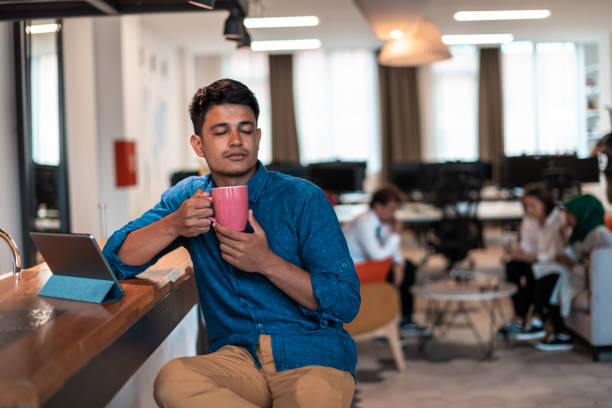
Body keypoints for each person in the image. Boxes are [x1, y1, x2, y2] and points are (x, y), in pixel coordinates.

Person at [102, 79, 360, 407]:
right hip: (239, 359)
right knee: (174, 381)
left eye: (245, 129)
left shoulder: (304, 198)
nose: (236, 141)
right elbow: (113, 261)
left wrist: (266, 262)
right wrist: (173, 224)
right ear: (199, 145)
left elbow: (346, 303)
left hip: (312, 355)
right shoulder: (188, 197)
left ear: (258, 137)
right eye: (221, 131)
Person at [343, 186, 429, 337]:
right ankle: (391, 321)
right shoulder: (364, 222)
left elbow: (393, 251)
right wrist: (396, 233)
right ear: (378, 206)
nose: (393, 214)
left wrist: (399, 264)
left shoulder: (383, 221)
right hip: (352, 270)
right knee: (394, 274)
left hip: (370, 265)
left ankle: (403, 319)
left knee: (408, 267)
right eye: (391, 209)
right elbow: (378, 256)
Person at [535, 194, 612, 351]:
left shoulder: (600, 233)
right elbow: (569, 257)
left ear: (582, 212)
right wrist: (564, 240)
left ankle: (555, 329)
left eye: (569, 213)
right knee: (547, 277)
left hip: (588, 280)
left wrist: (570, 263)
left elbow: (600, 268)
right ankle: (552, 327)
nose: (566, 217)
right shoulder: (579, 232)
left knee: (552, 280)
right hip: (575, 274)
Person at [499, 184, 565, 340]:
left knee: (531, 271)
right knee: (512, 266)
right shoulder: (529, 219)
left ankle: (521, 319)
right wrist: (515, 252)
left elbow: (553, 254)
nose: (528, 210)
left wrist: (529, 256)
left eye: (532, 206)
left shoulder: (559, 219)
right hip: (536, 259)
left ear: (545, 203)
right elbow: (526, 247)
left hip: (550, 263)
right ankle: (520, 316)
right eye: (526, 206)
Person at [591, 132, 612, 203]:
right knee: (610, 198)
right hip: (610, 174)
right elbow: (593, 152)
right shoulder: (607, 137)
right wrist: (601, 150)